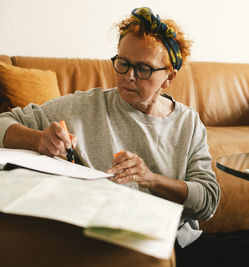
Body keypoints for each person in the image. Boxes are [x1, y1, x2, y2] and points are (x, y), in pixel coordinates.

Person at [0, 7, 220, 252]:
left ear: (169, 78)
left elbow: (208, 202)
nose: (129, 76)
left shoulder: (188, 124)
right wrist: (37, 140)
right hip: (101, 243)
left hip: (170, 244)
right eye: (123, 63)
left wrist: (151, 179)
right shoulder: (82, 106)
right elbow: (4, 122)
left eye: (143, 69)